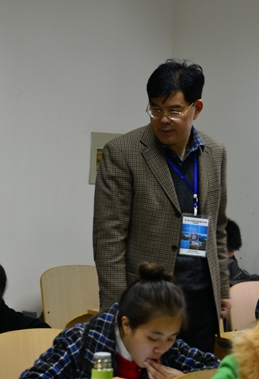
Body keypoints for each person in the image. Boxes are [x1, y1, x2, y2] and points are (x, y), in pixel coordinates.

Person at [93, 59, 230, 353]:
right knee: (146, 378)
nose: (163, 119)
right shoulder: (123, 153)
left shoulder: (215, 153)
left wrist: (222, 289)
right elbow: (109, 239)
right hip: (147, 302)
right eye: (155, 109)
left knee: (195, 377)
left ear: (196, 108)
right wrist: (115, 308)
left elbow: (218, 227)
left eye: (174, 111)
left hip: (200, 301)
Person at [10, 263, 220, 379]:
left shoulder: (169, 347)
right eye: (152, 338)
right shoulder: (79, 341)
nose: (162, 348)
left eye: (171, 337)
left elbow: (220, 373)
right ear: (126, 325)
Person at [225, 219, 259, 286]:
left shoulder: (231, 264)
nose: (227, 261)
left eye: (229, 259)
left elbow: (256, 280)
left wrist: (232, 285)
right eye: (224, 257)